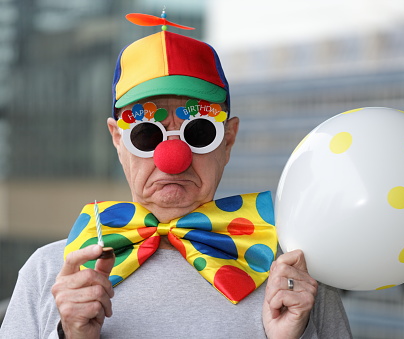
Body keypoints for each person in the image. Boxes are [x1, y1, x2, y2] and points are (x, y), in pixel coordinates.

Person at [0, 11, 352, 339]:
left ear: (228, 140)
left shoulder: (296, 276)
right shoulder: (48, 272)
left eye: (198, 133)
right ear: (118, 140)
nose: (173, 158)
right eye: (147, 135)